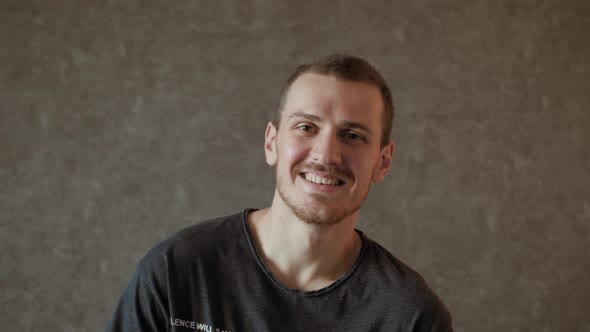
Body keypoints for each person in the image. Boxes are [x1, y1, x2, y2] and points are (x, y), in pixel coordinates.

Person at [106, 54, 453, 331]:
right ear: (272, 142)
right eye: (306, 127)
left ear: (383, 161)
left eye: (352, 136)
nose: (326, 155)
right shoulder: (178, 271)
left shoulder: (410, 316)